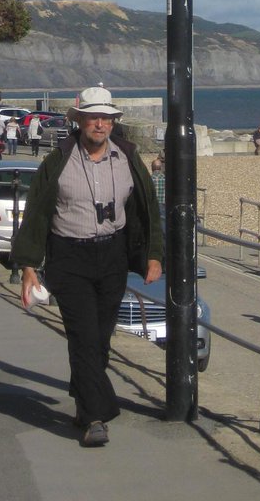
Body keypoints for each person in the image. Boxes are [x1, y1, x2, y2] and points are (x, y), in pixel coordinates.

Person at [13, 87, 163, 449]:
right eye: (93, 116)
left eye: (106, 117)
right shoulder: (58, 161)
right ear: (78, 120)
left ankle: (84, 403)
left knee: (98, 339)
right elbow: (36, 213)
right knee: (83, 336)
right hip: (69, 257)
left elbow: (148, 208)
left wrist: (153, 255)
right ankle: (97, 416)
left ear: (114, 122)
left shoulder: (127, 157)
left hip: (112, 256)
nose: (100, 123)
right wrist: (29, 265)